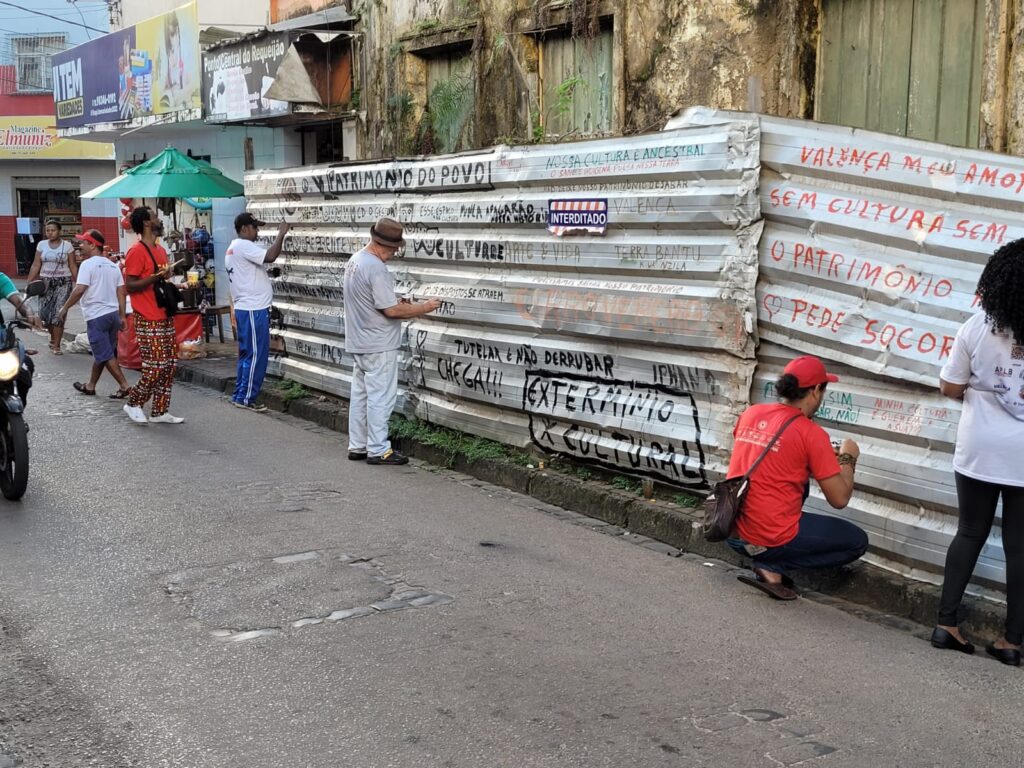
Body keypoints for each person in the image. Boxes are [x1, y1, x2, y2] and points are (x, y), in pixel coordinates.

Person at [932, 240, 1024, 666]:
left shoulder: (975, 327)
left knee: (969, 532)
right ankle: (1012, 643)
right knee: (1019, 546)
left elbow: (950, 387)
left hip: (978, 448)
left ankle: (945, 624)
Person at [725, 355, 868, 600]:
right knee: (856, 541)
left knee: (798, 487)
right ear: (815, 391)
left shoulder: (752, 413)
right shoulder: (812, 433)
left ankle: (766, 561)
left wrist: (818, 457)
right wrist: (848, 458)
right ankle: (773, 564)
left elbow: (771, 460)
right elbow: (840, 499)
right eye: (823, 389)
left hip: (730, 529)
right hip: (768, 536)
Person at [344, 217, 441, 465]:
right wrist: (425, 307)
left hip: (359, 340)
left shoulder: (356, 260)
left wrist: (395, 298)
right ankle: (378, 449)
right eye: (394, 249)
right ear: (384, 245)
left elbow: (370, 297)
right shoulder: (375, 267)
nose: (395, 254)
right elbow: (392, 311)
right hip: (378, 343)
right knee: (380, 397)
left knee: (361, 395)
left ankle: (358, 445)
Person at [121, 206, 183, 425]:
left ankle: (160, 411)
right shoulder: (136, 251)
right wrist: (155, 277)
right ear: (147, 223)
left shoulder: (159, 249)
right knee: (155, 365)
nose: (159, 220)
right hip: (147, 317)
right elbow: (130, 285)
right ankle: (133, 402)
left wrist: (174, 281)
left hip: (163, 313)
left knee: (169, 364)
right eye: (155, 217)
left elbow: (160, 282)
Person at [225, 213, 289, 412]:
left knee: (247, 355)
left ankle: (240, 395)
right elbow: (270, 256)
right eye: (254, 227)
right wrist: (281, 234)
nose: (257, 231)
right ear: (244, 229)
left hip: (248, 309)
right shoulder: (243, 246)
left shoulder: (233, 248)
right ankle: (246, 398)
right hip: (253, 310)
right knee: (256, 356)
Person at [57, 229, 132, 399]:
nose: (79, 246)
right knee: (103, 352)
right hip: (112, 315)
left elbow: (79, 290)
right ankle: (90, 385)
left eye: (83, 243)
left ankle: (125, 385)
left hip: (96, 316)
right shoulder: (113, 266)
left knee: (105, 354)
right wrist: (121, 316)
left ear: (92, 245)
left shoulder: (87, 265)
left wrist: (64, 308)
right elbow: (122, 292)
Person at [27, 219, 77, 355]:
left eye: (53, 230)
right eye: (47, 230)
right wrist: (30, 281)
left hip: (63, 283)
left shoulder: (67, 246)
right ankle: (53, 336)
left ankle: (57, 345)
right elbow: (36, 264)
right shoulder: (41, 245)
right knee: (45, 315)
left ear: (59, 231)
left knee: (59, 313)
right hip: (45, 283)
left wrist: (78, 282)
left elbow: (72, 265)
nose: (50, 233)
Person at [0, 271, 41, 405]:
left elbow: (17, 300)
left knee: (25, 366)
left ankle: (19, 405)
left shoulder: (1, 279)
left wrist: (30, 314)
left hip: (2, 342)